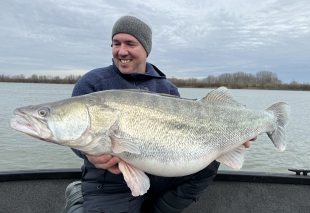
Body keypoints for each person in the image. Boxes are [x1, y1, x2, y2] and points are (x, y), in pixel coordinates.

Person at [64, 13, 255, 213]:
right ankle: (78, 198)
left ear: (146, 49)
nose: (121, 51)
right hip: (110, 180)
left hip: (161, 172)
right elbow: (74, 135)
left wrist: (234, 137)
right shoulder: (92, 83)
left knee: (210, 163)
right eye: (116, 43)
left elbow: (184, 132)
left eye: (130, 43)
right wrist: (88, 154)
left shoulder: (168, 88)